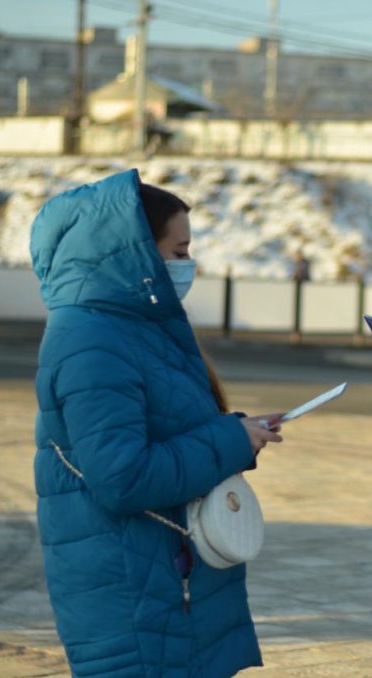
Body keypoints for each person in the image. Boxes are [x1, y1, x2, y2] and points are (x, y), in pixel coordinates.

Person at [30, 170, 282, 677]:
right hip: (135, 594)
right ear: (135, 253)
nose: (189, 265)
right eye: (180, 250)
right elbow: (122, 477)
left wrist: (238, 431)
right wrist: (230, 440)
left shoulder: (132, 326)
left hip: (163, 584)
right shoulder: (92, 339)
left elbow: (160, 430)